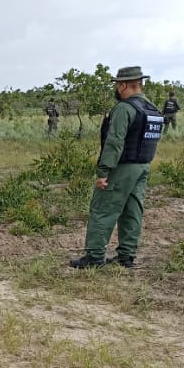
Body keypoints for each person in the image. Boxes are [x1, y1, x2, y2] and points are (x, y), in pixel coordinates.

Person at [70, 66, 164, 269]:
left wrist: (103, 171)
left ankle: (94, 256)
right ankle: (126, 256)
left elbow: (114, 142)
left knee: (103, 209)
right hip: (143, 166)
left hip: (122, 167)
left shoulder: (124, 108)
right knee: (132, 210)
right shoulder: (152, 109)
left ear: (123, 86)